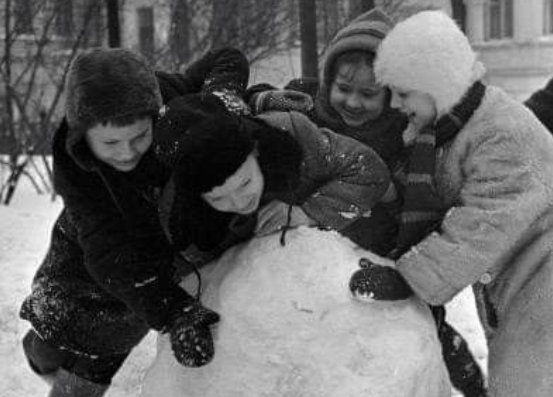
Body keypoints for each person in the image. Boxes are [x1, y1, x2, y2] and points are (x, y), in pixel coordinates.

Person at [19, 45, 249, 397]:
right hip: (91, 245)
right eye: (110, 143)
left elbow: (227, 57)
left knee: (99, 349)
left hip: (151, 256)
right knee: (48, 331)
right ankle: (48, 361)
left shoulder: (168, 94)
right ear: (83, 134)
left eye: (140, 137)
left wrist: (221, 102)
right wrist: (170, 309)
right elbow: (104, 251)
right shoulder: (74, 165)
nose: (127, 152)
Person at [251, 8, 489, 397]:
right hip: (318, 249)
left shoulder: (405, 134)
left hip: (382, 249)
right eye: (344, 88)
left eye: (369, 94)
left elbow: (415, 194)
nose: (353, 102)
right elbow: (266, 111)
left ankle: (470, 385)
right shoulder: (309, 110)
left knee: (429, 329)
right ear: (329, 81)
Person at [348, 9, 553, 397]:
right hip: (532, 271)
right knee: (551, 378)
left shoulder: (499, 132)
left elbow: (481, 223)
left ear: (438, 86)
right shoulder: (453, 128)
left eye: (405, 92)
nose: (397, 104)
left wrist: (411, 276)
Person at [153, 93, 395, 267]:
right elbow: (204, 278)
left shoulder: (290, 134)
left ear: (254, 149)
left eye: (244, 183)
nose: (238, 202)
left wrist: (310, 213)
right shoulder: (183, 224)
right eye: (218, 198)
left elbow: (368, 170)